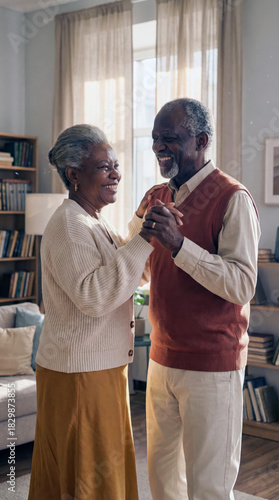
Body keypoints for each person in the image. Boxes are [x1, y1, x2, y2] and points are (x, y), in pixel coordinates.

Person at [28, 124, 179, 500]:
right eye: (103, 166)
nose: (115, 173)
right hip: (78, 375)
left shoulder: (95, 221)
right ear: (74, 175)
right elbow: (94, 296)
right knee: (88, 478)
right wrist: (145, 237)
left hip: (96, 370)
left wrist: (147, 230)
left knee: (96, 471)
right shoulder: (68, 225)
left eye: (116, 165)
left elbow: (124, 276)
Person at [139, 98, 261, 500]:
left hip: (212, 366)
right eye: (155, 139)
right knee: (162, 481)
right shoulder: (155, 195)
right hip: (160, 360)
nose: (159, 147)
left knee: (208, 487)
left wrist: (179, 246)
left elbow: (242, 284)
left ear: (201, 141)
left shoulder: (233, 198)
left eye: (169, 139)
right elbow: (137, 268)